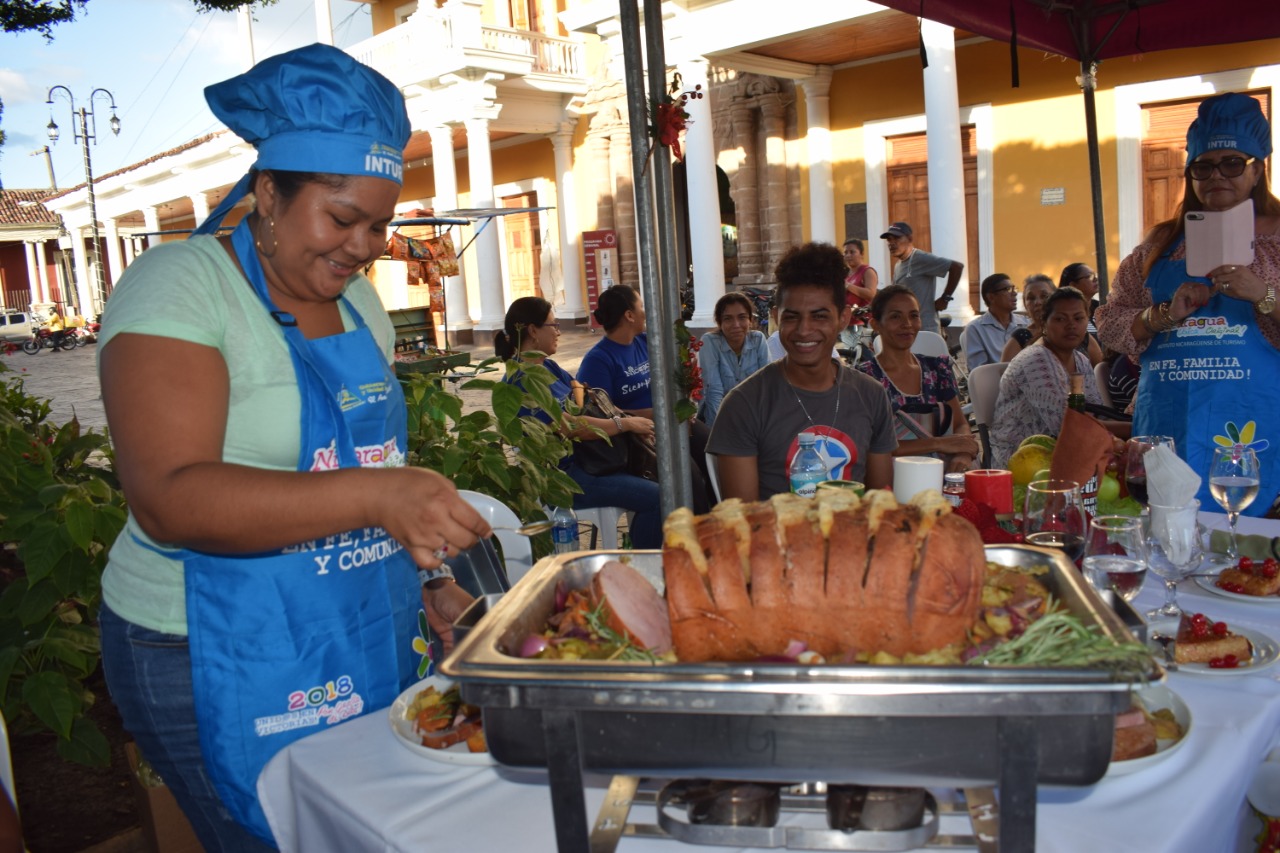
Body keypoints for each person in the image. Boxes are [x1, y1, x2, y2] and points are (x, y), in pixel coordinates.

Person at [95, 45, 487, 850]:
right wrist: (381, 498)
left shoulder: (360, 308)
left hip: (343, 620)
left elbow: (363, 466)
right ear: (268, 193)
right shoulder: (180, 284)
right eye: (343, 219)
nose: (365, 245)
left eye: (380, 225)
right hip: (198, 641)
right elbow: (169, 497)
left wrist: (431, 578)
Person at [1096, 92, 1280, 515]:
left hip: (1258, 424)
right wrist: (1161, 315)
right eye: (1203, 166)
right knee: (1169, 534)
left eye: (1233, 163)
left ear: (1258, 169)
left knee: (1245, 560)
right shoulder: (1160, 246)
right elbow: (1108, 321)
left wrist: (1262, 295)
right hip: (1167, 422)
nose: (1217, 175)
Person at [708, 242, 897, 500]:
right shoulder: (744, 403)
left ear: (842, 318)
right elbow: (742, 521)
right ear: (776, 317)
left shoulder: (872, 395)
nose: (804, 330)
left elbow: (880, 502)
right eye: (792, 317)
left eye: (819, 316)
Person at [495, 297, 663, 547]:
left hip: (593, 460)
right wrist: (624, 425)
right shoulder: (520, 382)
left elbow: (587, 395)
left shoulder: (548, 367)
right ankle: (642, 567)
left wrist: (626, 417)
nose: (559, 332)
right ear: (532, 331)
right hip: (568, 475)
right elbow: (570, 427)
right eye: (554, 325)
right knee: (659, 497)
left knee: (665, 473)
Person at [578, 283, 713, 509]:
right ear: (629, 315)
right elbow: (602, 416)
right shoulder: (598, 361)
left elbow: (672, 378)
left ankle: (726, 519)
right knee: (687, 475)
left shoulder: (646, 342)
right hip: (636, 438)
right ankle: (699, 535)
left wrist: (682, 404)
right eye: (641, 306)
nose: (645, 312)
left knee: (717, 451)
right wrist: (654, 414)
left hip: (667, 422)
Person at [859, 285, 979, 473]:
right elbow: (870, 444)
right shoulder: (865, 378)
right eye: (895, 316)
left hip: (944, 472)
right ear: (876, 325)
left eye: (914, 315)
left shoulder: (937, 369)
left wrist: (962, 454)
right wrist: (939, 444)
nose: (907, 324)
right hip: (890, 477)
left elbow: (960, 423)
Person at [989, 287, 1105, 468]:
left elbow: (1094, 412)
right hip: (1022, 464)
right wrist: (1134, 428)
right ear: (1044, 323)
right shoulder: (1036, 360)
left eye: (1078, 318)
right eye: (1060, 319)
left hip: (1069, 455)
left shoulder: (1080, 359)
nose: (1071, 325)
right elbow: (1069, 427)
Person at [880, 221, 964, 335]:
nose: (891, 243)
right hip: (907, 329)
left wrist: (945, 297)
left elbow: (957, 267)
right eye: (889, 239)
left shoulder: (920, 258)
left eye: (896, 238)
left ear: (909, 238)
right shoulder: (898, 265)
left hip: (925, 329)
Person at [698, 291, 769, 425]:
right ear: (719, 322)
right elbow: (714, 391)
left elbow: (766, 386)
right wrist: (720, 432)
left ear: (750, 320)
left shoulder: (758, 339)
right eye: (728, 319)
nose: (736, 324)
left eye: (742, 317)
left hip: (753, 416)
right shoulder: (710, 342)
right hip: (720, 416)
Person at [964, 273, 1028, 369]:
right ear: (991, 297)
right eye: (1008, 289)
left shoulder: (1026, 323)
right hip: (994, 382)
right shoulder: (975, 329)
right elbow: (978, 371)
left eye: (1015, 289)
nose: (1014, 293)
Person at [1000, 274, 1055, 361]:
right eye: (1031, 298)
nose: (1038, 302)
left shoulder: (1070, 331)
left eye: (1044, 296)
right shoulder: (1021, 338)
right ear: (1025, 305)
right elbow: (1005, 373)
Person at [1059, 262, 1105, 365]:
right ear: (1073, 285)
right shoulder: (1063, 315)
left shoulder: (1101, 309)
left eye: (1095, 275)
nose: (1095, 279)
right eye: (1089, 276)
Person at [840, 238, 878, 349]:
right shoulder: (846, 274)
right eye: (845, 252)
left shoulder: (867, 271)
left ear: (862, 254)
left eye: (852, 252)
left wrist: (848, 286)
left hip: (862, 324)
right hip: (847, 323)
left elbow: (871, 294)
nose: (848, 255)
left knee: (863, 357)